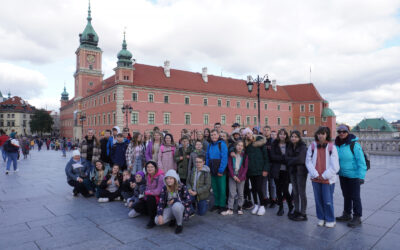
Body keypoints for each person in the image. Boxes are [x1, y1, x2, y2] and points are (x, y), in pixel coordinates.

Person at [306, 126, 340, 228]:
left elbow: (335, 166)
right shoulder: (312, 146)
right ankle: (321, 218)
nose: (321, 135)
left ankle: (330, 219)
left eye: (323, 133)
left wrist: (324, 175)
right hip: (315, 178)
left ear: (327, 135)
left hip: (327, 179)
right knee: (318, 199)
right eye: (319, 133)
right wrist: (316, 174)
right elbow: (308, 162)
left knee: (327, 200)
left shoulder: (331, 147)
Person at [335, 124, 367, 228]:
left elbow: (361, 162)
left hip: (354, 175)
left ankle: (357, 217)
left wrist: (361, 176)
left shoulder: (354, 145)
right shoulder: (336, 144)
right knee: (346, 195)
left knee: (355, 196)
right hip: (342, 174)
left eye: (344, 131)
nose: (341, 133)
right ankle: (347, 214)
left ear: (348, 132)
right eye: (339, 131)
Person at [129, 161, 165, 229]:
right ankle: (150, 212)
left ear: (155, 168)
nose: (149, 168)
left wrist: (147, 192)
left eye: (152, 167)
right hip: (148, 197)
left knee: (150, 198)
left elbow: (158, 191)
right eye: (148, 167)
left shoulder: (160, 177)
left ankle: (152, 219)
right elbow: (147, 187)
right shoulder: (148, 176)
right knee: (136, 206)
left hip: (158, 200)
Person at [154, 169, 191, 234]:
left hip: (180, 207)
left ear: (175, 179)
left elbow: (188, 201)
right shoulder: (165, 188)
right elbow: (161, 202)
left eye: (171, 178)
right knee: (157, 221)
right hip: (169, 208)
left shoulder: (182, 187)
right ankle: (173, 218)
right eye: (167, 178)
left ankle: (179, 224)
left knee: (176, 206)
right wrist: (159, 214)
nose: (169, 180)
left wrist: (175, 200)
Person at [243, 127, 270, 216]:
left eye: (249, 133)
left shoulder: (260, 142)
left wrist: (265, 169)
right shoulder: (246, 145)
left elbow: (266, 157)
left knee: (259, 188)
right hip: (250, 170)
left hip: (259, 170)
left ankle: (262, 205)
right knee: (253, 189)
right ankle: (256, 204)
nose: (248, 135)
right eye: (246, 134)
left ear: (252, 133)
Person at [270, 128, 293, 216]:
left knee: (285, 190)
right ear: (278, 135)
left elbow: (290, 157)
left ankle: (290, 206)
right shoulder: (274, 144)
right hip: (277, 170)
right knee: (278, 190)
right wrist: (283, 158)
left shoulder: (289, 144)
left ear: (286, 135)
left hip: (286, 171)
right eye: (280, 134)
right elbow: (272, 156)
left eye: (284, 134)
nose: (282, 135)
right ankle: (281, 208)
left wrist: (281, 158)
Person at [286, 130, 308, 221]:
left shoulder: (303, 146)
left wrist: (290, 161)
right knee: (295, 192)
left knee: (301, 192)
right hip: (292, 171)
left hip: (301, 172)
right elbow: (286, 157)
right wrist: (292, 160)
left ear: (299, 138)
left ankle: (303, 213)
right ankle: (296, 210)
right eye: (292, 136)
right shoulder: (290, 146)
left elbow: (301, 159)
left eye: (295, 136)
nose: (293, 138)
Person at [222, 140, 248, 215]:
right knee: (231, 193)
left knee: (240, 193)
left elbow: (245, 167)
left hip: (241, 177)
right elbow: (229, 165)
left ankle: (240, 207)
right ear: (235, 146)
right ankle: (230, 208)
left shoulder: (245, 155)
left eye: (241, 145)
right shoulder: (231, 155)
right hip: (232, 176)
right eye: (238, 145)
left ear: (243, 147)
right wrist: (233, 175)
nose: (239, 147)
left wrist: (241, 176)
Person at [206, 129, 228, 214]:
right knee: (215, 188)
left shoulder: (222, 144)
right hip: (212, 169)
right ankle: (217, 203)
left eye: (215, 135)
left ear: (218, 135)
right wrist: (208, 168)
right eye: (212, 135)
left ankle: (222, 205)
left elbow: (224, 158)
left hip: (220, 169)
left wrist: (221, 170)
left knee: (221, 188)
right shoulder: (210, 145)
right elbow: (207, 157)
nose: (213, 136)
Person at [262, 125, 276, 208]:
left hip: (272, 164)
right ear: (263, 131)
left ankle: (273, 199)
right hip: (263, 165)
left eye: (268, 130)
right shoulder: (261, 141)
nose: (266, 131)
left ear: (270, 132)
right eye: (265, 130)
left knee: (272, 184)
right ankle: (265, 198)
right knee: (263, 183)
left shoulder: (274, 142)